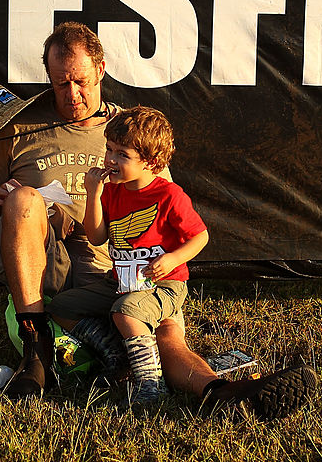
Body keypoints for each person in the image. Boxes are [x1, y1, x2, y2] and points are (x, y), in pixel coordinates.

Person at [0, 21, 315, 417]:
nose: (73, 94)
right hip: (49, 262)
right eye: (61, 83)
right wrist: (0, 204)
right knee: (24, 199)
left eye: (81, 81)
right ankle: (36, 351)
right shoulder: (19, 129)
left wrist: (157, 267)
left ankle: (222, 392)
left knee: (165, 336)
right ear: (49, 77)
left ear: (101, 70)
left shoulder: (131, 132)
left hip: (118, 263)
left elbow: (165, 211)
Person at [47, 106, 209, 404]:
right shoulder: (111, 191)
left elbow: (200, 236)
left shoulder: (168, 195)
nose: (110, 159)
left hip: (164, 286)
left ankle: (151, 383)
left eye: (122, 154)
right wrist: (94, 193)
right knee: (61, 306)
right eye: (109, 149)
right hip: (119, 282)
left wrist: (173, 259)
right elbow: (96, 237)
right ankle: (115, 353)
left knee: (126, 310)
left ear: (151, 162)